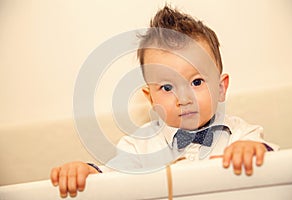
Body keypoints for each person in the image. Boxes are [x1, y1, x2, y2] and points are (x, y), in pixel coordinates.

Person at [50, 5, 278, 198]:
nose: (184, 99)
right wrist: (87, 172)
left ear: (220, 88)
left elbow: (277, 168)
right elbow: (111, 180)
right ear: (150, 98)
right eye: (167, 88)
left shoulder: (240, 135)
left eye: (197, 82)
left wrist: (252, 152)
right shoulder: (138, 146)